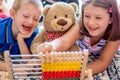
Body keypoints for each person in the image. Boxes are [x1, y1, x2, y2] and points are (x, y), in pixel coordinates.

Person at [37, 0, 120, 79]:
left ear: (111, 19)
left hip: (95, 63)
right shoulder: (80, 28)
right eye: (87, 16)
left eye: (98, 18)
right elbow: (64, 41)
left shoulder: (116, 34)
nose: (91, 22)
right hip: (80, 58)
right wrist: (52, 46)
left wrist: (78, 72)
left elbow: (103, 61)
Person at [0, 0, 43, 71]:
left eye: (36, 19)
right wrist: (12, 68)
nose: (30, 22)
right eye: (26, 16)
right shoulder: (1, 28)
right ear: (13, 14)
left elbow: (30, 66)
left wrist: (20, 40)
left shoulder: (35, 35)